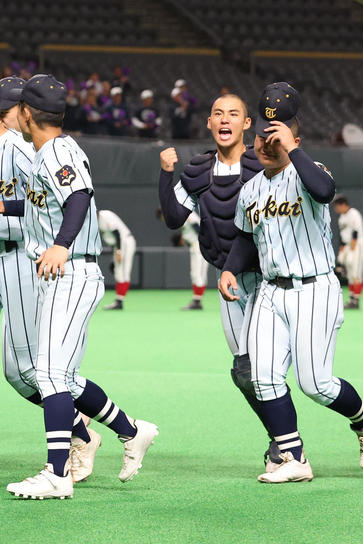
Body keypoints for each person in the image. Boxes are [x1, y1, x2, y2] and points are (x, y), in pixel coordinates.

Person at [0, 69, 101, 486]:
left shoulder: (23, 149)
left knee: (27, 372)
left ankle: (85, 434)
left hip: (21, 263)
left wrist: (2, 208)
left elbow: (46, 205)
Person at [218, 82, 363, 483]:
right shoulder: (251, 188)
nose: (267, 143)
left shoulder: (311, 172)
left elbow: (325, 191)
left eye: (276, 136)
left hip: (314, 288)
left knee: (316, 383)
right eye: (262, 136)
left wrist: (292, 149)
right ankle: (293, 456)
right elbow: (243, 238)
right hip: (271, 292)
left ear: (294, 138)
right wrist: (227, 268)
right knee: (262, 375)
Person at [3, 75, 159, 500]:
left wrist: (60, 244)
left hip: (72, 270)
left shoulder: (57, 150)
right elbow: (46, 202)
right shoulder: (45, 152)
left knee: (49, 374)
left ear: (27, 114)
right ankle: (133, 431)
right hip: (61, 273)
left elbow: (78, 198)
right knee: (64, 377)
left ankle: (57, 473)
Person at [158, 92, 280, 470]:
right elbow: (175, 217)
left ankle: (286, 443)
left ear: (247, 124)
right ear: (209, 123)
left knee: (263, 369)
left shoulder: (263, 165)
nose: (224, 120)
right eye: (217, 114)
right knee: (243, 373)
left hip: (267, 279)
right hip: (227, 281)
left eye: (234, 114)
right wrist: (165, 174)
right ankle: (280, 437)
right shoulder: (198, 170)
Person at [333, 194, 363, 309]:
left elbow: (356, 230)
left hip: (356, 245)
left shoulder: (354, 213)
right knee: (350, 273)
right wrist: (342, 247)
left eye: (337, 206)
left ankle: (356, 300)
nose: (335, 209)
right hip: (348, 245)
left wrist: (353, 245)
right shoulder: (342, 217)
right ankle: (352, 298)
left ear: (343, 204)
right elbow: (342, 234)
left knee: (356, 272)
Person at [97, 209, 134, 310]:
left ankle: (119, 301)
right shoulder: (98, 219)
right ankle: (119, 301)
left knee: (122, 272)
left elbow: (117, 233)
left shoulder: (104, 216)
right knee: (120, 272)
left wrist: (119, 251)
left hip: (124, 242)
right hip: (120, 244)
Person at [180, 213, 208, 309]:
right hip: (199, 244)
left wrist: (203, 241)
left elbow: (197, 226)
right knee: (199, 274)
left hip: (198, 245)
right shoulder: (184, 214)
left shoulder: (187, 213)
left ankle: (197, 301)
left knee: (197, 274)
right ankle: (197, 300)